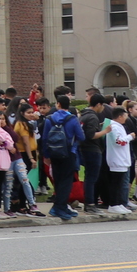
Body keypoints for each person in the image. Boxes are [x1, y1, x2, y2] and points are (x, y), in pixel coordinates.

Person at [41, 89, 82, 222]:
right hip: (68, 153)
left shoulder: (49, 119)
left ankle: (60, 205)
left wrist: (46, 155)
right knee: (66, 181)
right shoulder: (72, 119)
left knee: (58, 180)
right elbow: (81, 136)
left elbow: (45, 139)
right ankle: (59, 206)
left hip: (53, 153)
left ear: (58, 104)